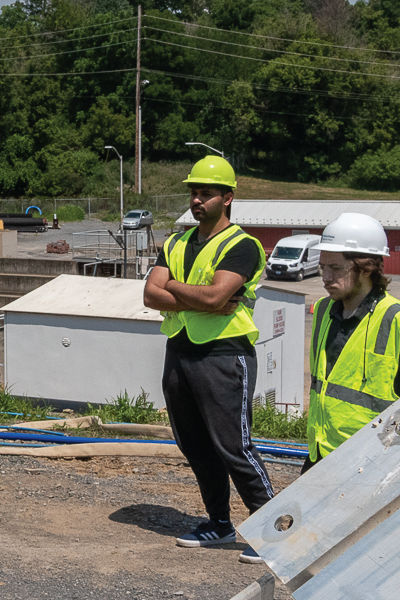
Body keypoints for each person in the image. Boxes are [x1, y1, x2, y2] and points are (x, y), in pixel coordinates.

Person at [139, 155, 274, 564]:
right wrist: (197, 295)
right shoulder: (176, 242)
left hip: (224, 354)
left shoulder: (242, 246)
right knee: (195, 445)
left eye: (206, 193)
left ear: (228, 198)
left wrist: (176, 292)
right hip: (180, 351)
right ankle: (219, 523)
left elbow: (219, 298)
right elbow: (150, 294)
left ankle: (274, 531)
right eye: (194, 193)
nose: (197, 200)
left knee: (235, 445)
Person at [305, 213, 400, 466]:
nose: (325, 277)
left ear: (366, 267)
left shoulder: (399, 320)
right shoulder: (324, 310)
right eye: (322, 267)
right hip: (321, 453)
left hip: (373, 463)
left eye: (336, 268)